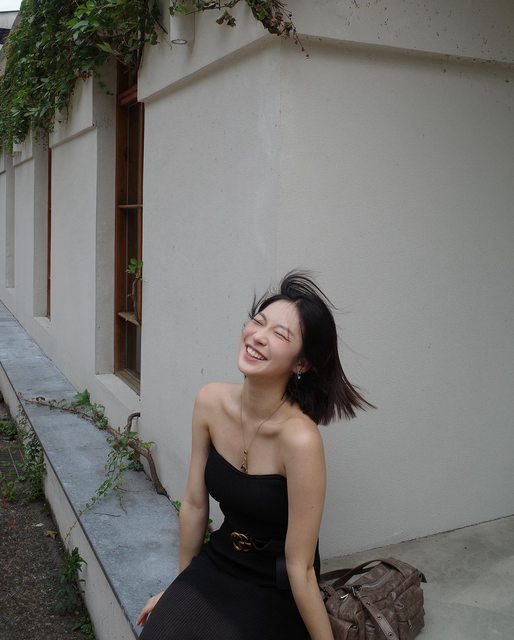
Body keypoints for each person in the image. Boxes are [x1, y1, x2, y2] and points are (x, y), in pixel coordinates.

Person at [136, 271, 372, 639]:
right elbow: (195, 505)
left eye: (280, 335)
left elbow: (300, 567)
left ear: (301, 364)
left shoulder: (300, 439)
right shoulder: (210, 402)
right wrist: (180, 593)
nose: (258, 336)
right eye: (259, 322)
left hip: (274, 582)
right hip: (221, 558)